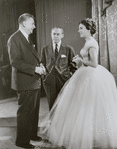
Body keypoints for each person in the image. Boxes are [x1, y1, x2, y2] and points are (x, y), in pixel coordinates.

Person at [40, 18, 117, 149]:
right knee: (81, 107)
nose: (79, 30)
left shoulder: (91, 43)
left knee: (87, 107)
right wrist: (81, 60)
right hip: (79, 74)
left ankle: (88, 136)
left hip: (91, 75)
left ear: (88, 29)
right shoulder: (88, 42)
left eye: (81, 28)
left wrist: (81, 60)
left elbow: (94, 63)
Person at [7, 13, 45, 149]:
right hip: (25, 82)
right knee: (25, 112)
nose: (34, 27)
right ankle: (22, 141)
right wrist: (35, 69)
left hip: (33, 81)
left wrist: (39, 66)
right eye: (32, 24)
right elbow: (15, 62)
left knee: (33, 111)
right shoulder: (14, 39)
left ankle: (32, 134)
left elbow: (30, 58)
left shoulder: (27, 38)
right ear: (24, 23)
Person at [41, 27, 76, 110]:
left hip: (64, 80)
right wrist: (45, 76)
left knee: (64, 103)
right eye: (53, 34)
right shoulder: (45, 49)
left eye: (58, 34)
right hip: (49, 80)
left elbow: (74, 65)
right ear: (51, 35)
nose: (55, 36)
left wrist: (69, 76)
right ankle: (53, 122)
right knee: (52, 104)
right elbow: (42, 63)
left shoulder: (68, 49)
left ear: (62, 35)